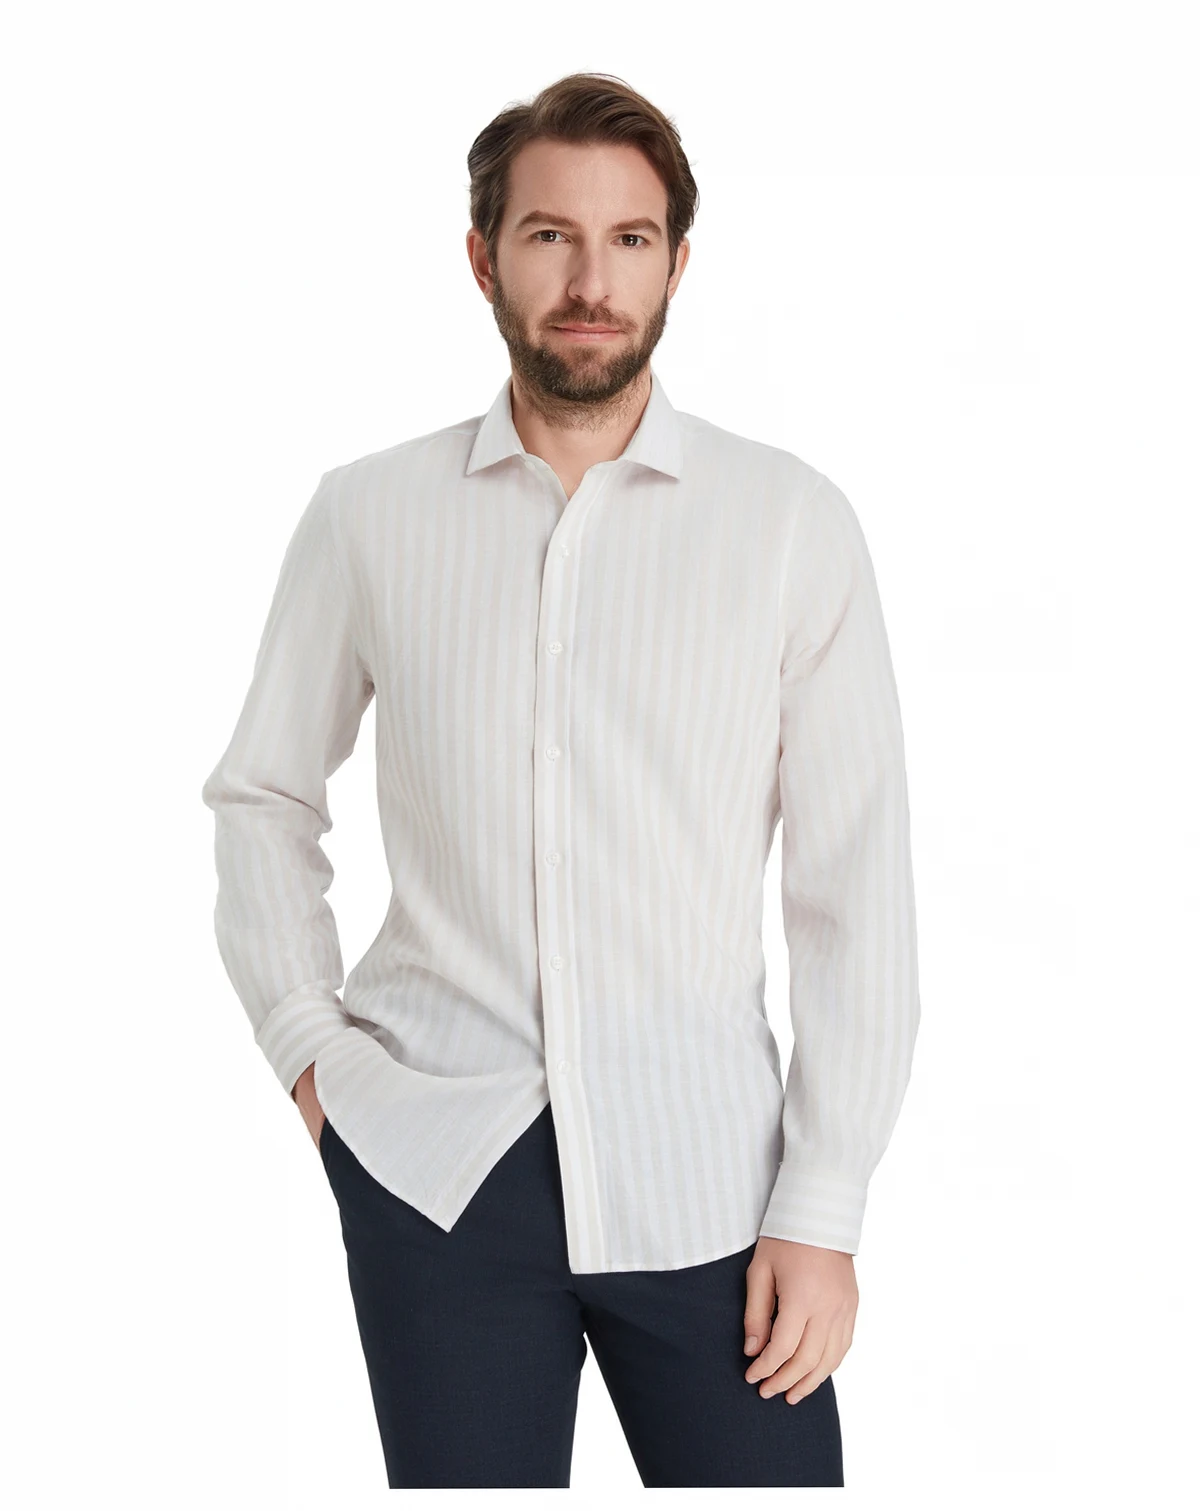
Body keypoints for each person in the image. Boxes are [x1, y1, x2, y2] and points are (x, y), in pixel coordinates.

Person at [201, 70, 921, 1490]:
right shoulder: (368, 514)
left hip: (715, 1188)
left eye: (630, 239)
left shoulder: (788, 523)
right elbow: (263, 795)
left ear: (678, 262)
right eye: (550, 236)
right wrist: (309, 1052)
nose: (591, 281)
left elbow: (855, 883)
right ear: (484, 258)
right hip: (436, 1168)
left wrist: (825, 1202)